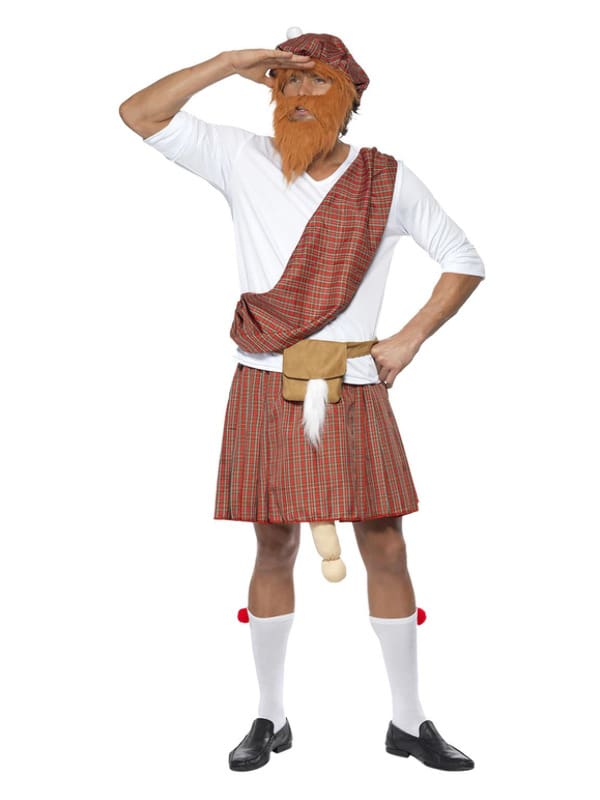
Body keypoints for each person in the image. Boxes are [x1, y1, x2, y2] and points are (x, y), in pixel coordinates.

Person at [119, 29, 485, 773]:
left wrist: (410, 337)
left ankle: (409, 720)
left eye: (316, 82)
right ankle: (269, 715)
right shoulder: (240, 157)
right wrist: (230, 63)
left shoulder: (385, 181)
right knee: (274, 543)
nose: (296, 95)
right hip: (265, 380)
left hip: (355, 383)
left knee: (385, 543)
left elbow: (463, 258)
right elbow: (139, 113)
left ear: (349, 98)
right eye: (285, 82)